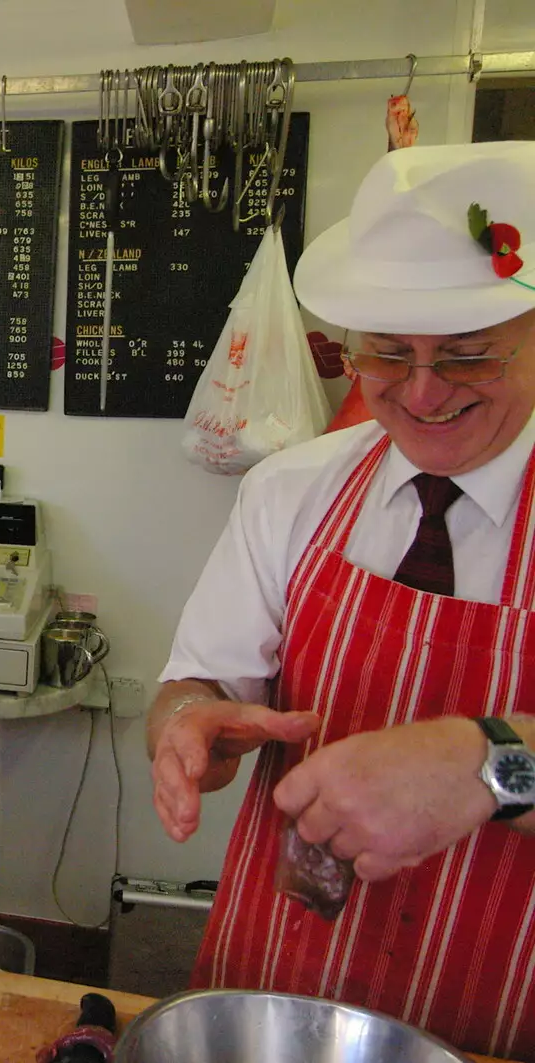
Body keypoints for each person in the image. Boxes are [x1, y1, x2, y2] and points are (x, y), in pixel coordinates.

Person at [148, 142, 535, 1059]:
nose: (424, 390)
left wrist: (488, 766)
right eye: (388, 353)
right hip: (277, 994)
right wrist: (188, 726)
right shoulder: (293, 491)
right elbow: (193, 683)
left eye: (471, 357)